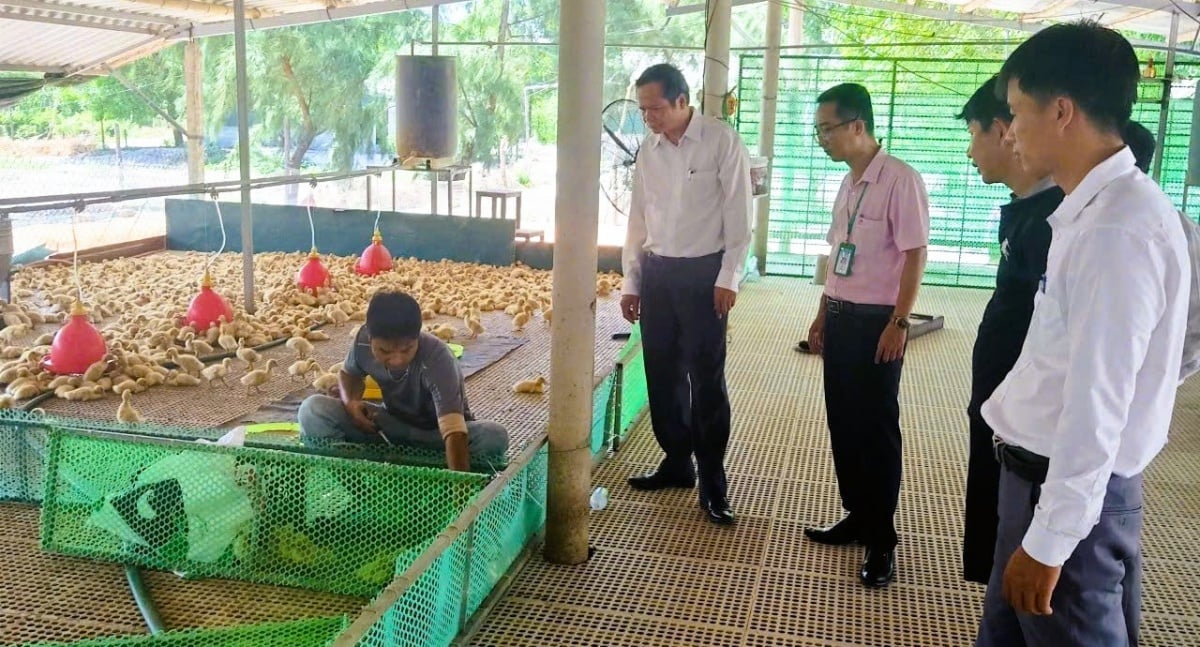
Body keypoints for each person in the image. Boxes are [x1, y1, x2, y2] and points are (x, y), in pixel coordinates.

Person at [977, 21, 1189, 646]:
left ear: (1062, 111)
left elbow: (1100, 403)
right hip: (1046, 486)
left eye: (1016, 112)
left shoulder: (1115, 231)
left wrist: (1050, 539)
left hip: (1067, 499)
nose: (1008, 132)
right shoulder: (1095, 211)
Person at [803, 83, 930, 588]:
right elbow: (839, 255)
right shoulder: (849, 183)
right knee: (843, 421)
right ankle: (857, 514)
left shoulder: (901, 180)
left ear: (858, 126)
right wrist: (820, 313)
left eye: (826, 129)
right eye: (817, 131)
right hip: (839, 314)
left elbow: (916, 254)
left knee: (876, 429)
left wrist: (900, 321)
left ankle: (882, 539)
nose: (821, 139)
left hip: (878, 321)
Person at [621, 63, 752, 526]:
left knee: (706, 378)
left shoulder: (720, 141)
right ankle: (678, 461)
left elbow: (739, 214)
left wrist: (728, 277)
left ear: (682, 100)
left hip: (704, 276)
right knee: (661, 372)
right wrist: (632, 281)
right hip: (658, 274)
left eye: (655, 107)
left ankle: (714, 482)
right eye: (642, 110)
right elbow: (638, 220)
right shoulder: (648, 152)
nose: (648, 117)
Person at [957, 76, 1064, 586]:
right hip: (1003, 410)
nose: (970, 151)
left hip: (1030, 433)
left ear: (1004, 131)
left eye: (974, 135)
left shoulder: (1059, 225)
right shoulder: (1028, 214)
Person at [298, 291, 509, 472]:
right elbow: (349, 374)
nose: (397, 359)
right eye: (384, 351)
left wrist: (459, 493)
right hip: (391, 426)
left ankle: (447, 488)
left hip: (436, 435)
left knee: (493, 436)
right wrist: (351, 403)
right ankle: (361, 493)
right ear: (370, 338)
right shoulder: (362, 340)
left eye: (407, 349)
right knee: (313, 410)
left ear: (418, 336)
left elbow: (453, 430)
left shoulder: (437, 357)